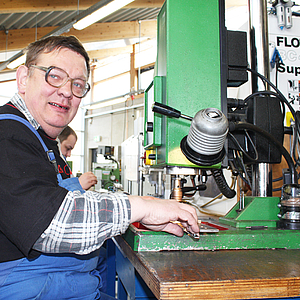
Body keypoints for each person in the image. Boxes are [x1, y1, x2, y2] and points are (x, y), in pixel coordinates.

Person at [0, 35, 199, 300]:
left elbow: (65, 199)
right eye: (54, 76)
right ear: (24, 78)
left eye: (78, 84)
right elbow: (52, 225)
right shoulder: (7, 135)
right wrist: (143, 206)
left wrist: (136, 214)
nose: (67, 92)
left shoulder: (41, 140)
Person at [58, 125, 98, 190]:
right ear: (57, 143)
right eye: (67, 148)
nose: (69, 154)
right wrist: (78, 185)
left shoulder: (64, 165)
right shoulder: (47, 165)